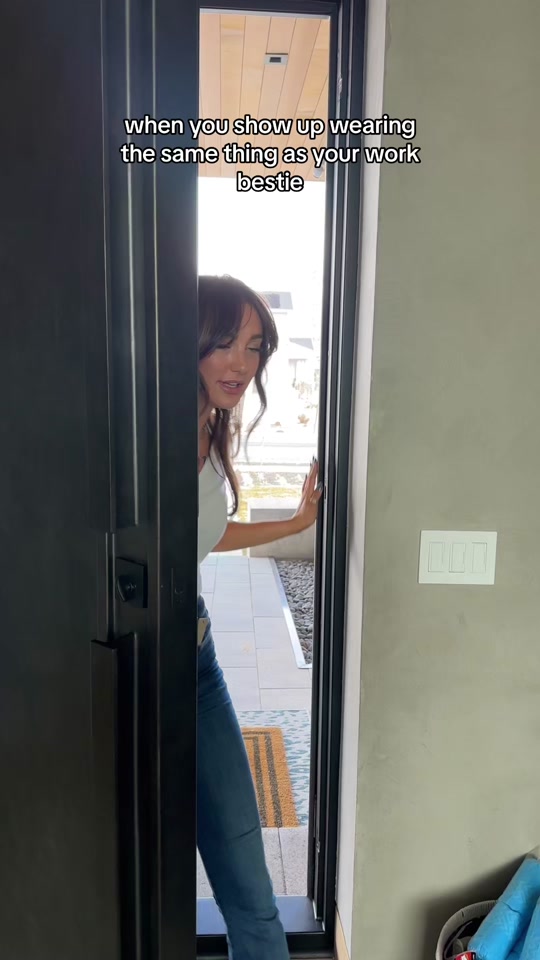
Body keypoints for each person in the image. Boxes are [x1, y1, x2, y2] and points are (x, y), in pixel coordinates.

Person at [196, 275, 322, 960]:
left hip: (196, 662)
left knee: (248, 877)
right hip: (125, 670)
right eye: (224, 343)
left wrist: (298, 522)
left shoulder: (210, 425)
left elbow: (204, 534)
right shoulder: (142, 432)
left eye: (254, 347)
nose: (241, 364)